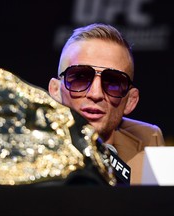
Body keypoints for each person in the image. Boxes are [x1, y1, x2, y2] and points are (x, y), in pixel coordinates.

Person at [48, 23, 165, 185]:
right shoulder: (26, 145)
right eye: (80, 78)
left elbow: (161, 208)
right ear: (55, 91)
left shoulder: (149, 140)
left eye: (113, 82)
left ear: (130, 101)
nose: (96, 94)